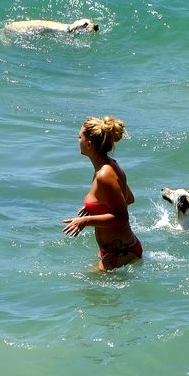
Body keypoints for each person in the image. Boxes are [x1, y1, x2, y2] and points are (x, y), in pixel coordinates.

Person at [62, 116, 142, 271]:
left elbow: (122, 216)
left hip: (121, 253)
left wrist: (85, 221)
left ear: (89, 144)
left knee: (86, 289)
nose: (77, 140)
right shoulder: (107, 166)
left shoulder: (104, 175)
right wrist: (96, 208)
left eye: (79, 137)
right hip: (114, 251)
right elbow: (129, 198)